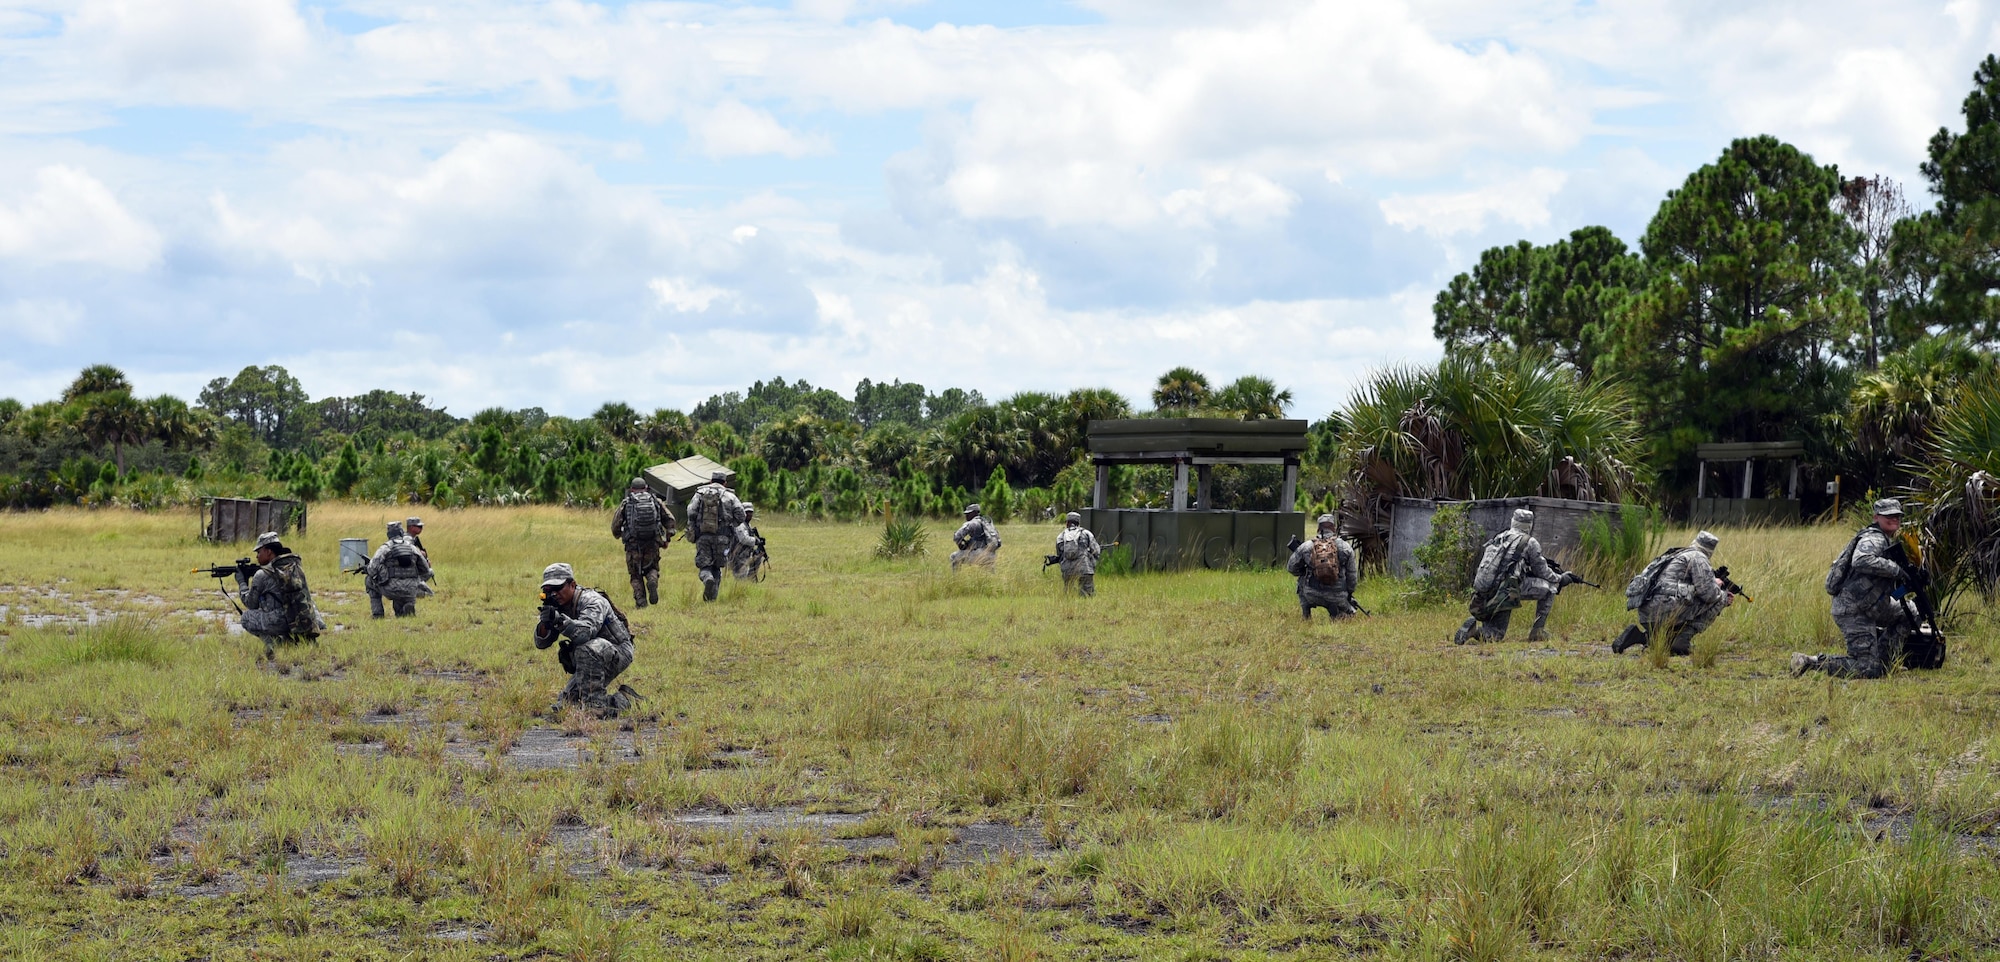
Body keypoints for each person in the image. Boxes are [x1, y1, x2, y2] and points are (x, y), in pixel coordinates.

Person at [1793, 499, 1921, 679]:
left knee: (1911, 612)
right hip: (1853, 610)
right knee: (1865, 669)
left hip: (1872, 605)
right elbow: (1861, 559)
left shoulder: (1885, 540)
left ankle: (1885, 664)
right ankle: (1811, 661)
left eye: (1897, 516)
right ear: (1876, 517)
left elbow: (1890, 591)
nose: (1894, 519)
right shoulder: (1874, 538)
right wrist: (1896, 570)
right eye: (1888, 516)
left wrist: (1906, 584)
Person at [1454, 508, 1579, 645]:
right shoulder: (1529, 542)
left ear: (1513, 522)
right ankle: (1537, 631)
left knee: (1493, 632)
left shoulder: (1500, 537)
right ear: (1529, 525)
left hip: (1486, 591)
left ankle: (1473, 630)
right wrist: (1561, 579)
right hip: (1506, 591)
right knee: (1550, 589)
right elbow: (1542, 571)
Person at [533, 562, 636, 716]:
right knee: (566, 706)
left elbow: (584, 634)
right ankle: (624, 699)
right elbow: (541, 643)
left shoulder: (592, 600)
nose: (554, 594)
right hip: (589, 656)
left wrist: (559, 620)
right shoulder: (557, 605)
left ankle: (596, 706)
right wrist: (546, 622)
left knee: (586, 649)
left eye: (558, 588)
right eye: (548, 590)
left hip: (618, 650)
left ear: (572, 585)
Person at [1615, 531, 1730, 656]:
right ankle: (1682, 640)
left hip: (1647, 613)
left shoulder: (1675, 554)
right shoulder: (1699, 557)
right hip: (1666, 610)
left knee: (1663, 643)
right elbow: (1709, 594)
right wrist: (1718, 588)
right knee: (1721, 598)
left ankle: (1640, 637)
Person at [236, 530, 324, 659]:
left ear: (269, 551)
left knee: (246, 617)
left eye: (259, 552)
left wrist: (242, 583)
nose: (257, 556)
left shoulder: (262, 574)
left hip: (283, 620)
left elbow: (251, 604)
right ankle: (299, 640)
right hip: (305, 618)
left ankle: (276, 644)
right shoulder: (294, 566)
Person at [611, 477, 675, 607]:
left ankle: (641, 602)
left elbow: (615, 524)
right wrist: (668, 536)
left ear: (631, 489)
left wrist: (618, 534)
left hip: (633, 544)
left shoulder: (627, 502)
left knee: (635, 574)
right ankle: (652, 580)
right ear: (646, 487)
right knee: (652, 567)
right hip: (652, 543)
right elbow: (669, 519)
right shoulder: (655, 501)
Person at [685, 471, 745, 602]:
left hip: (703, 537)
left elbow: (690, 511)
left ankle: (707, 578)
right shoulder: (730, 496)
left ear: (711, 481)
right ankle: (711, 599)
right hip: (723, 538)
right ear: (725, 483)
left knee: (704, 566)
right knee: (717, 567)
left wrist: (695, 526)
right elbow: (741, 515)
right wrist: (730, 526)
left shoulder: (700, 493)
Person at [1286, 514, 1358, 620]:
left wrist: (1304, 570)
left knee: (1302, 579)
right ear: (1334, 528)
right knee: (1349, 615)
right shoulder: (1345, 548)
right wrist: (1348, 594)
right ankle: (1337, 614)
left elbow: (1291, 568)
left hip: (1311, 594)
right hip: (1337, 596)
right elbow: (1352, 578)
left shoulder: (1306, 546)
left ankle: (1306, 613)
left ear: (1318, 528)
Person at [365, 521, 434, 618]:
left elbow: (372, 569)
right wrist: (415, 581)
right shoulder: (413, 548)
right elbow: (426, 570)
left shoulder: (385, 548)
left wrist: (382, 574)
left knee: (369, 580)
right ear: (402, 533)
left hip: (391, 589)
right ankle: (406, 607)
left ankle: (378, 614)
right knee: (403, 598)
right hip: (411, 590)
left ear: (388, 534)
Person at [1054, 511, 1102, 596]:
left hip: (1067, 569)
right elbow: (1096, 550)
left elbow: (1060, 554)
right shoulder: (1086, 533)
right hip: (1084, 568)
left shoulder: (1061, 536)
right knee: (1087, 594)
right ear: (1078, 522)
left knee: (1069, 593)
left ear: (1067, 523)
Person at [951, 503, 1001, 570]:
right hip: (991, 555)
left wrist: (960, 544)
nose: (966, 516)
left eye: (968, 513)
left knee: (954, 557)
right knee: (989, 576)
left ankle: (956, 579)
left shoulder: (972, 523)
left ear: (974, 513)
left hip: (979, 554)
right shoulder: (986, 522)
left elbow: (957, 536)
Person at [729, 503, 767, 580]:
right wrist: (756, 541)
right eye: (747, 512)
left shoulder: (747, 524)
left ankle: (750, 582)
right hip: (738, 556)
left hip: (745, 555)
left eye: (750, 512)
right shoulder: (740, 525)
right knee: (740, 578)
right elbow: (744, 539)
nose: (749, 514)